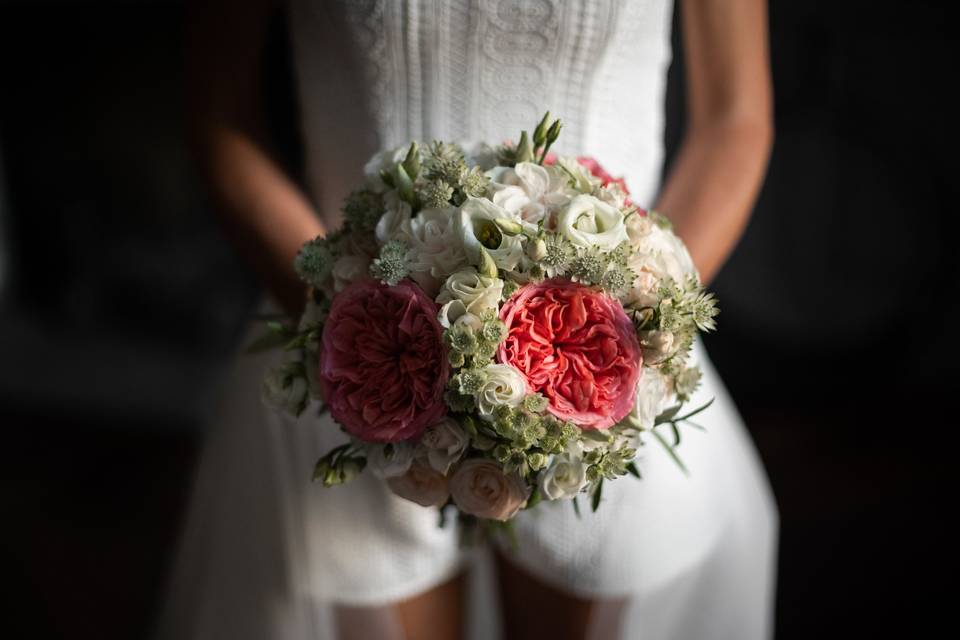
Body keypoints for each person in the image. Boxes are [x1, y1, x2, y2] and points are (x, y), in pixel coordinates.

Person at [158, 1, 777, 638]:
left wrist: (638, 335)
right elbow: (220, 112)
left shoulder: (618, 358)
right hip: (354, 364)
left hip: (605, 373)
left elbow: (734, 117)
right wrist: (348, 333)